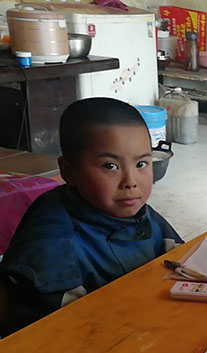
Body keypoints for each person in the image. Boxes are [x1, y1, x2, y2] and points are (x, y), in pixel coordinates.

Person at [0, 98, 182, 333]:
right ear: (68, 171)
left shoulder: (129, 209)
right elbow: (81, 330)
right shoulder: (53, 246)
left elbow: (181, 258)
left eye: (141, 164)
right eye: (110, 166)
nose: (130, 182)